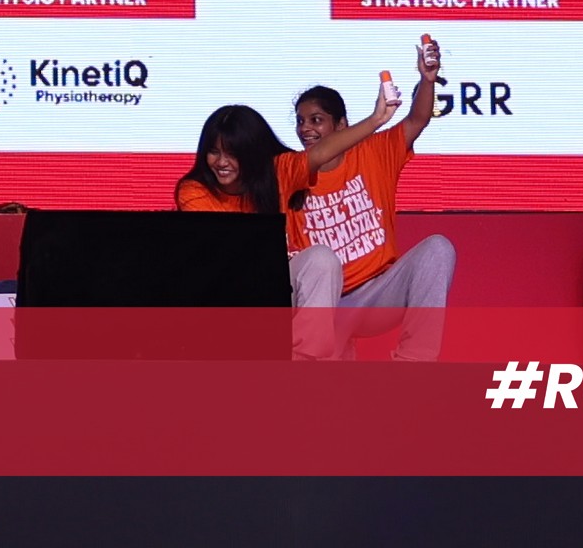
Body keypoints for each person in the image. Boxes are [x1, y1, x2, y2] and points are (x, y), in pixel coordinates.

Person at [284, 34, 455, 359]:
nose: (305, 129)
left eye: (317, 120)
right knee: (326, 387)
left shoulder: (373, 153)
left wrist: (427, 79)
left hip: (378, 295)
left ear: (342, 125)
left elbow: (417, 120)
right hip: (325, 306)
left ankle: (415, 364)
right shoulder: (290, 171)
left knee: (438, 249)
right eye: (300, 121)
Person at [173, 102, 348, 355]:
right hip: (226, 295)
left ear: (252, 153)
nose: (221, 162)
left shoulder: (278, 173)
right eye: (214, 152)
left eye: (232, 153)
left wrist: (377, 119)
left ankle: (306, 359)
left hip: (275, 289)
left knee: (322, 258)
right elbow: (220, 260)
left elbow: (321, 153)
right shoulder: (194, 191)